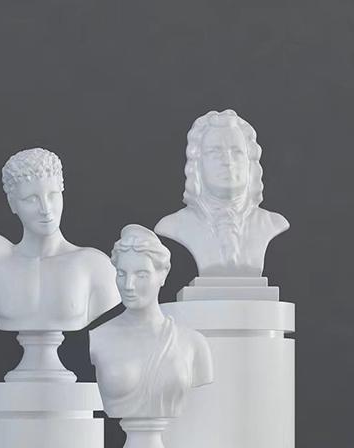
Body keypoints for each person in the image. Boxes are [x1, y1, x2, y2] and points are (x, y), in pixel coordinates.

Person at [0, 148, 119, 333]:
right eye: (31, 199)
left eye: (52, 195)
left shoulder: (96, 265)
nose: (46, 209)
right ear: (12, 203)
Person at [90, 224, 212, 420]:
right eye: (121, 274)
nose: (129, 285)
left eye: (141, 275)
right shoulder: (98, 338)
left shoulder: (194, 343)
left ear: (163, 274)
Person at [155, 110, 289, 277]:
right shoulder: (174, 225)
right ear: (197, 163)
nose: (227, 161)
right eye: (215, 152)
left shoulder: (272, 223)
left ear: (250, 162)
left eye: (236, 152)